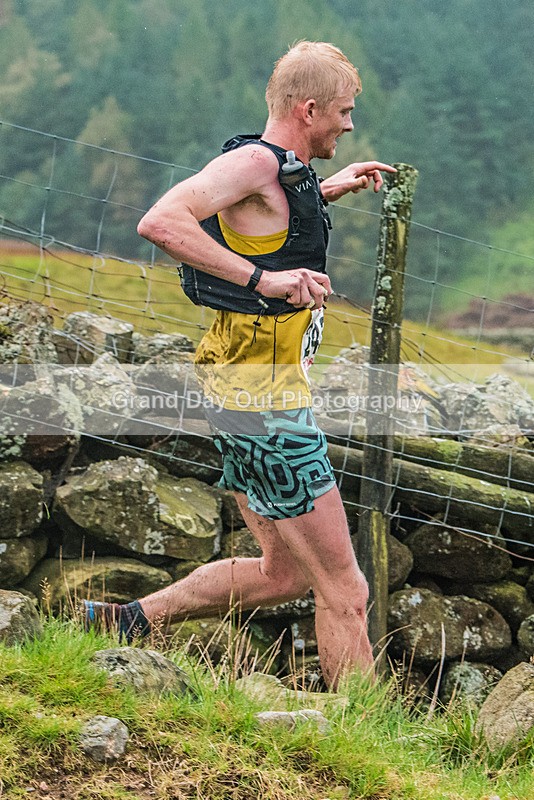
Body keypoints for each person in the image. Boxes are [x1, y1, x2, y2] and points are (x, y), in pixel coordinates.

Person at [85, 41, 396, 690]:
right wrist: (264, 281)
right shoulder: (254, 161)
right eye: (343, 111)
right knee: (346, 587)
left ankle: (125, 620)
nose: (349, 123)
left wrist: (329, 189)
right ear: (308, 109)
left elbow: (265, 220)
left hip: (237, 390)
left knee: (281, 574)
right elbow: (160, 221)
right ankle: (366, 739)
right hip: (267, 403)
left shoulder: (280, 170)